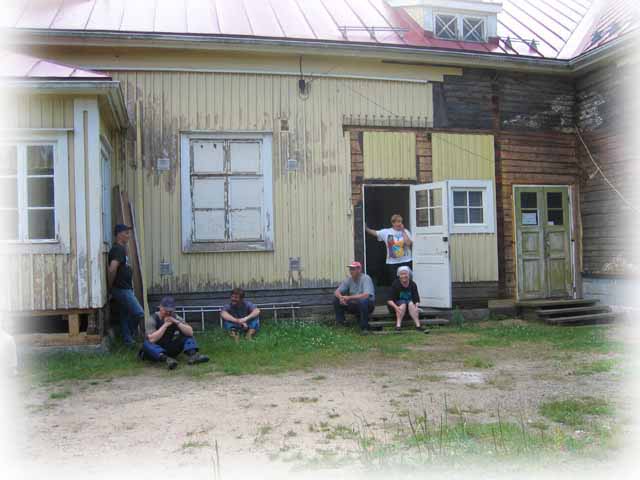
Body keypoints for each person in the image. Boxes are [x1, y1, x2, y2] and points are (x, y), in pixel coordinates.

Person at [140, 296, 209, 369]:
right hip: (154, 351)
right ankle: (167, 360)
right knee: (146, 343)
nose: (168, 313)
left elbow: (190, 332)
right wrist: (165, 325)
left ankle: (194, 356)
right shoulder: (152, 319)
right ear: (160, 307)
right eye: (166, 310)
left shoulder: (175, 317)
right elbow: (152, 339)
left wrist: (176, 322)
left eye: (170, 311)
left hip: (168, 347)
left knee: (186, 335)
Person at [108, 224, 144, 347]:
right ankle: (130, 334)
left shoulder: (121, 249)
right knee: (138, 313)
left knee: (124, 315)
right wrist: (110, 287)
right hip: (121, 289)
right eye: (126, 233)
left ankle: (127, 341)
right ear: (119, 234)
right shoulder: (118, 249)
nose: (128, 236)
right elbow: (112, 269)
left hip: (125, 287)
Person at [365, 214, 413, 284]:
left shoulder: (406, 231)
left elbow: (408, 243)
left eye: (401, 221)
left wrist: (403, 231)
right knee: (395, 283)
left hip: (406, 261)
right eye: (398, 221)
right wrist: (366, 229)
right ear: (393, 223)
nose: (400, 223)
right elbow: (375, 233)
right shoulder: (386, 232)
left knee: (407, 282)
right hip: (392, 262)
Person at [333, 261, 375, 334]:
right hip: (354, 304)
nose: (351, 271)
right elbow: (336, 292)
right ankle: (341, 323)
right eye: (350, 269)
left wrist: (349, 298)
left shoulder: (366, 278)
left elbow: (366, 295)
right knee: (336, 299)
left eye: (353, 269)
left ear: (359, 270)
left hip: (368, 305)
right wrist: (341, 298)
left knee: (363, 301)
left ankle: (364, 328)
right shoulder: (349, 279)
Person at [387, 266, 427, 333]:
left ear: (409, 275)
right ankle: (398, 326)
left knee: (411, 303)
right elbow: (389, 300)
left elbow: (416, 299)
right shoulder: (395, 284)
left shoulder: (413, 284)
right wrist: (396, 308)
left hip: (409, 308)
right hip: (396, 307)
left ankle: (418, 326)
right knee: (403, 303)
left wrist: (416, 306)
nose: (404, 276)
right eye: (402, 274)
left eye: (405, 274)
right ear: (399, 275)